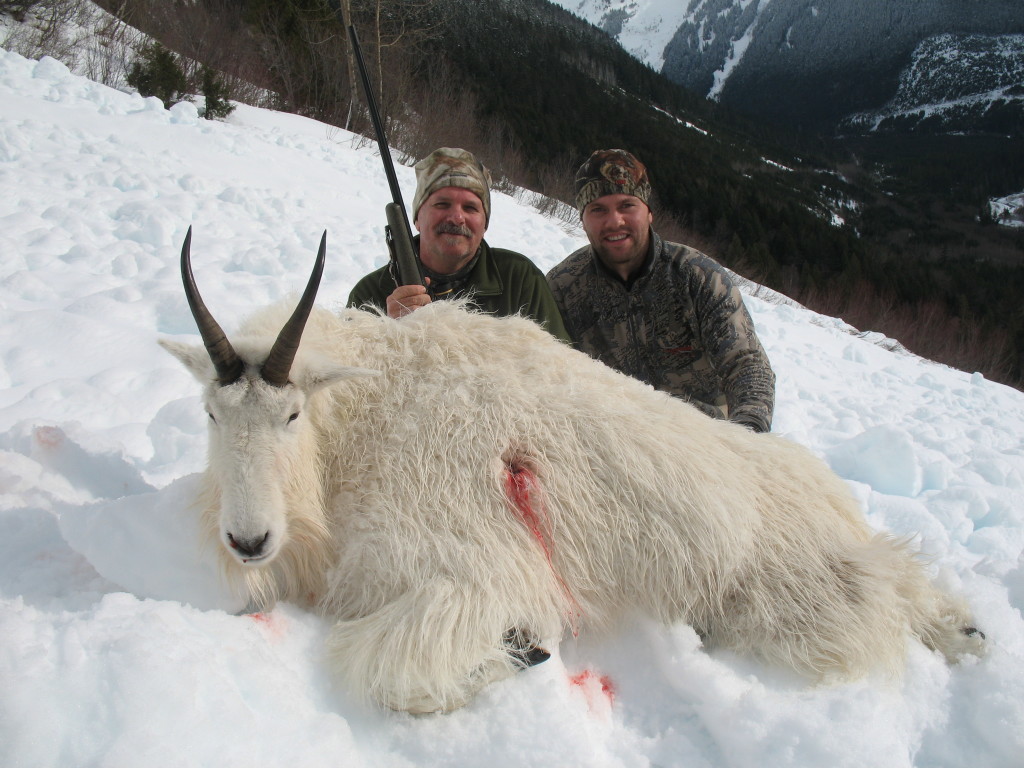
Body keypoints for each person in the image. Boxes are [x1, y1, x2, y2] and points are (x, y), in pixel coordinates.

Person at [547, 149, 775, 433]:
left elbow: (746, 363)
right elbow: (545, 372)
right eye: (598, 209)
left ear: (649, 212)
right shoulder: (562, 288)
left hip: (706, 437)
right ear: (582, 219)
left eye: (626, 205)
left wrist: (748, 434)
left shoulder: (697, 276)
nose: (614, 221)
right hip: (612, 437)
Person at [347, 147, 570, 343]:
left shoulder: (519, 279)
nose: (456, 217)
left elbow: (562, 371)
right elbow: (346, 382)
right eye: (442, 204)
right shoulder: (369, 294)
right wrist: (385, 333)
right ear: (417, 218)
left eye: (471, 208)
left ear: (485, 223)